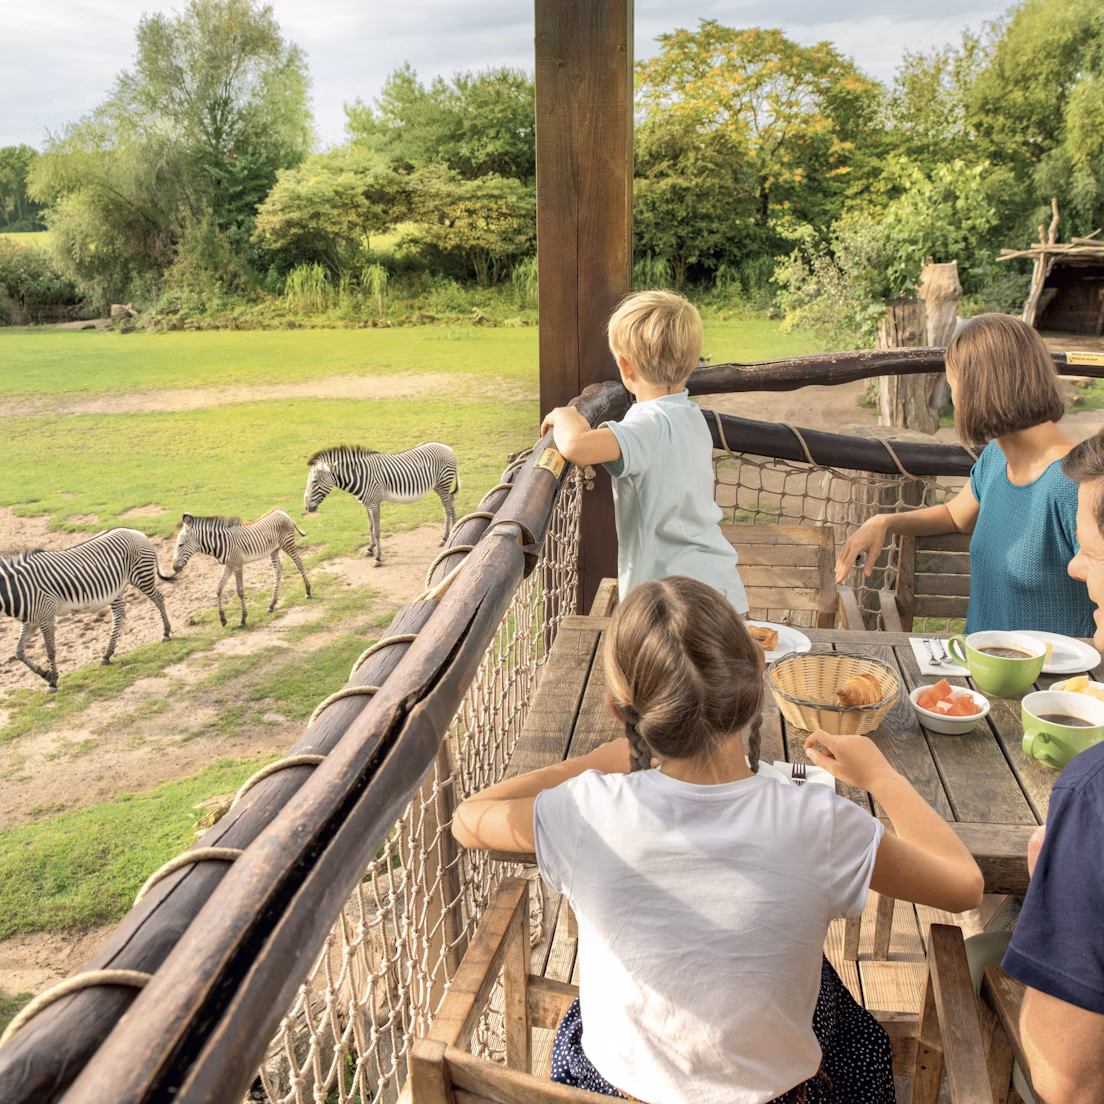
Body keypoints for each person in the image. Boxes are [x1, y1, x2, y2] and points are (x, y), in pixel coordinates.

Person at [452, 576, 984, 1104]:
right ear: (757, 682)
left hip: (610, 1091)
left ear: (621, 713)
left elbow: (468, 818)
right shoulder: (820, 823)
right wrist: (882, 777)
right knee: (838, 1013)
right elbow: (964, 886)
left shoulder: (584, 810)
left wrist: (594, 762)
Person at [834, 312, 1094, 636]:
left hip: (1049, 670)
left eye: (953, 385)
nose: (954, 400)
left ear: (980, 389)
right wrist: (883, 522)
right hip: (980, 661)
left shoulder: (1077, 484)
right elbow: (955, 516)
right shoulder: (997, 456)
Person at [994, 428, 1104, 1104]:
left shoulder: (1092, 797)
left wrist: (1056, 891)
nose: (1074, 568)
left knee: (979, 952)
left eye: (1089, 550)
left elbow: (1067, 1082)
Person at [539, 289, 747, 611]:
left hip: (672, 603)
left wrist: (566, 415)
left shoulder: (646, 426)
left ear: (625, 366)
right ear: (692, 363)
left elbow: (576, 446)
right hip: (721, 589)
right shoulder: (691, 416)